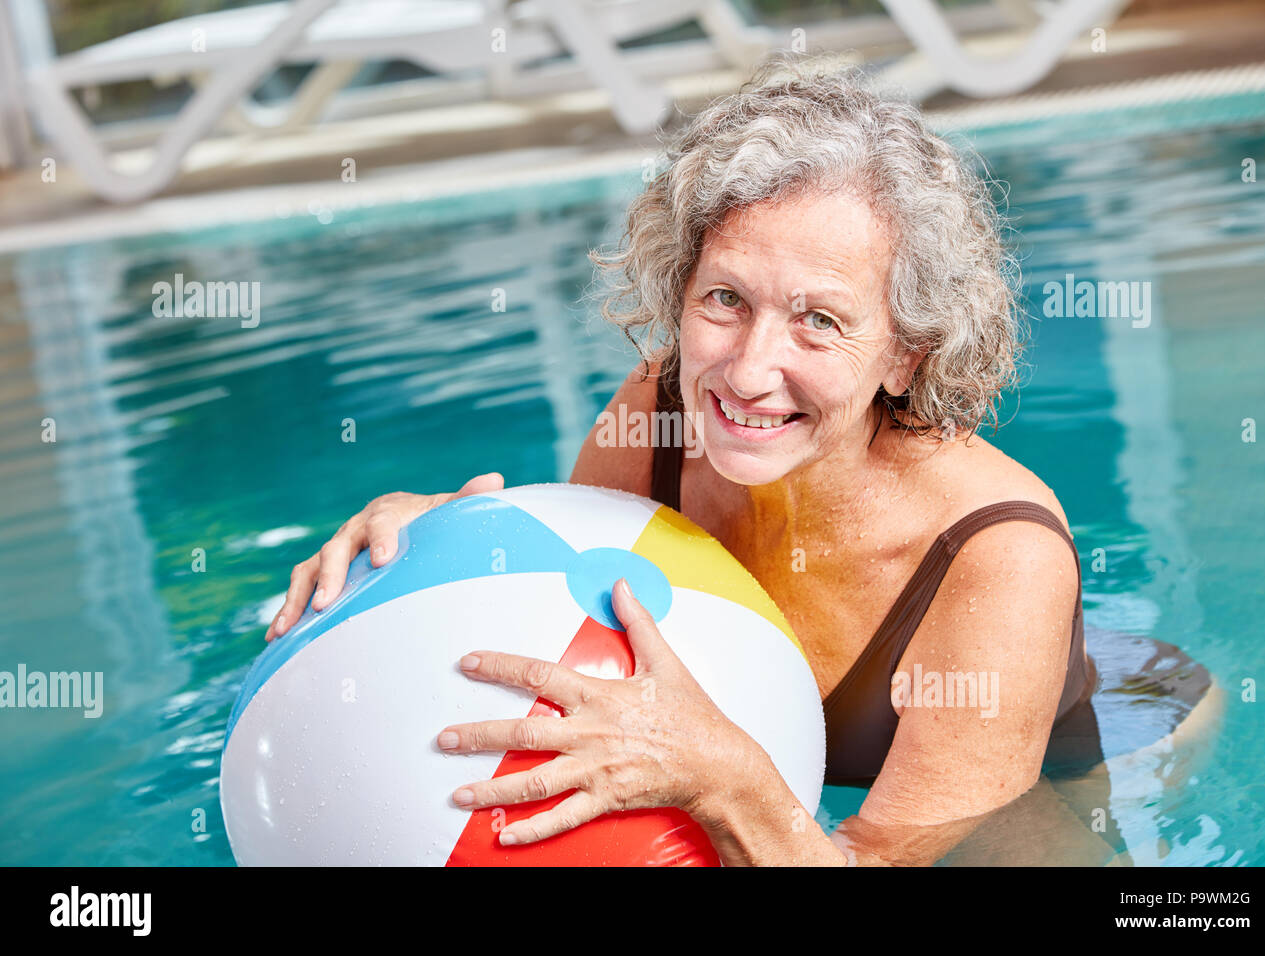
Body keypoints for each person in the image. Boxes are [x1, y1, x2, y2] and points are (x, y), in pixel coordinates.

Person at [264, 54, 1112, 865]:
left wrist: (721, 777)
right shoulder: (659, 412)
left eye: (820, 320)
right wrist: (437, 547)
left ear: (906, 354)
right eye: (725, 299)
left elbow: (870, 862)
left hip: (1029, 809)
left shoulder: (1001, 557)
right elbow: (557, 623)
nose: (746, 372)